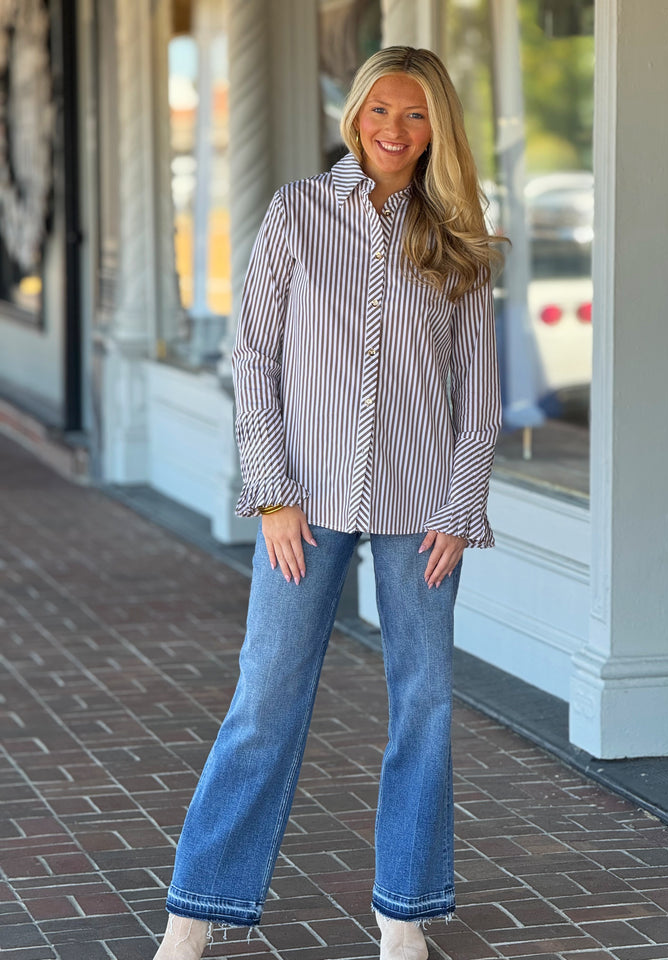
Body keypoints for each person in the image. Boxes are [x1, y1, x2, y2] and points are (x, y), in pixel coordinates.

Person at [154, 45, 506, 960]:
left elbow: (479, 392)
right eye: (381, 110)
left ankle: (404, 918)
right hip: (303, 504)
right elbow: (254, 358)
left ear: (437, 128)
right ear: (355, 115)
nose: (396, 129)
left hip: (422, 506)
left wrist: (461, 505)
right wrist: (271, 493)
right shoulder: (297, 212)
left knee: (424, 704)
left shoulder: (457, 234)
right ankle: (193, 914)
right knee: (264, 697)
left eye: (416, 114)